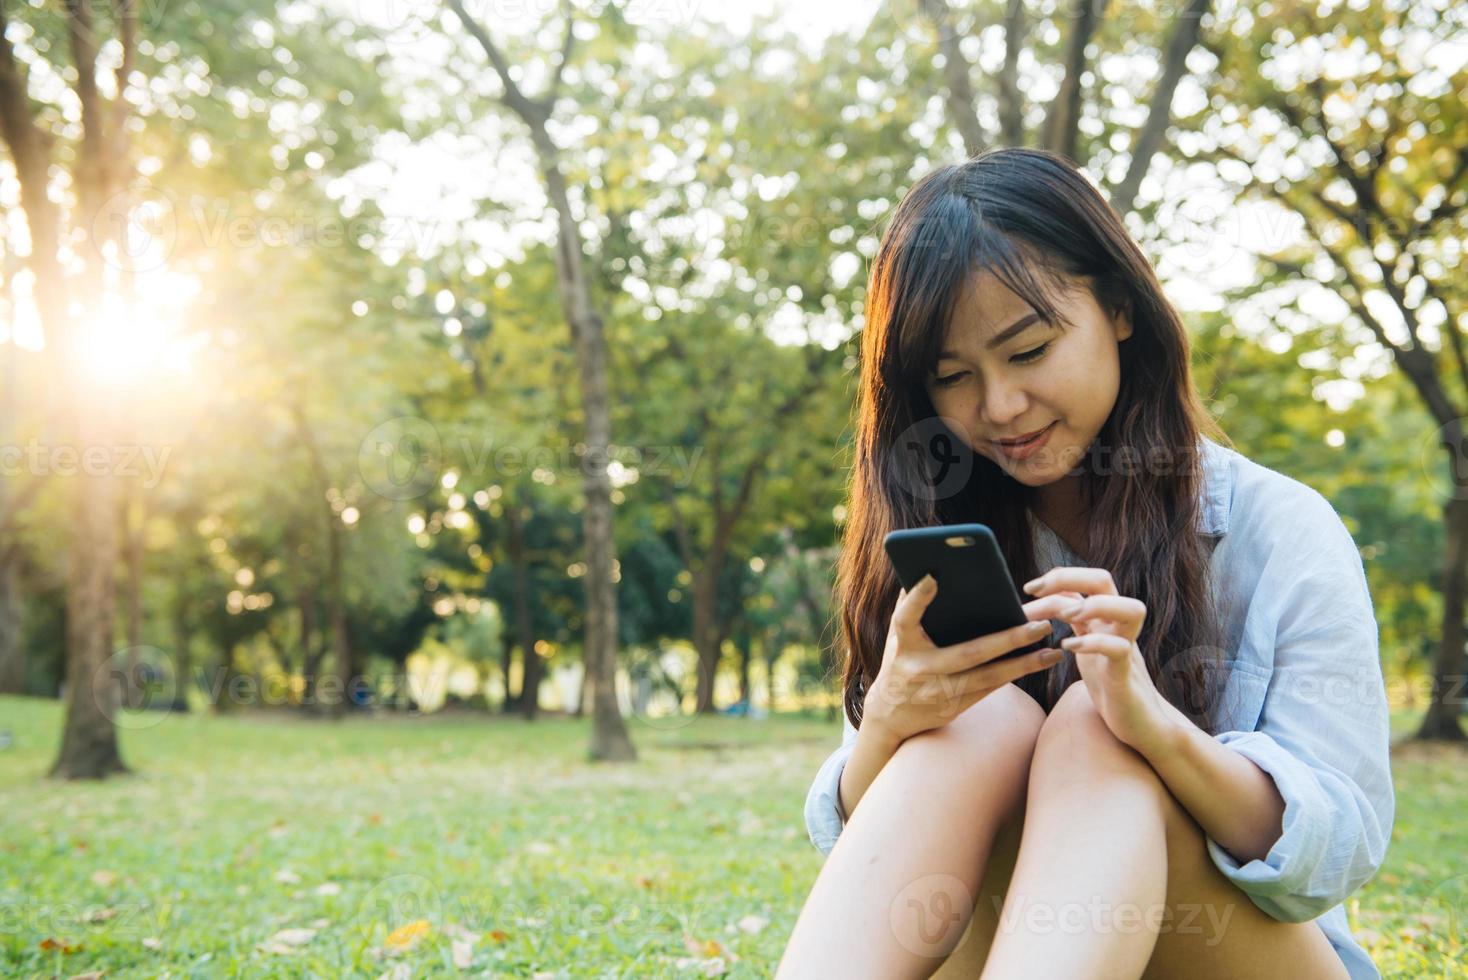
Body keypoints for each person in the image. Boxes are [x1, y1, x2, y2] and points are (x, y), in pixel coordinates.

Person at [775, 148, 1393, 980]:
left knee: (1094, 729)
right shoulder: (940, 535)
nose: (997, 408)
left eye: (1028, 351)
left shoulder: (1278, 530)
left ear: (1119, 307)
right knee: (980, 719)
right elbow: (874, 860)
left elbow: (1336, 854)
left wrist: (1155, 732)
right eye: (952, 378)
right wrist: (887, 722)